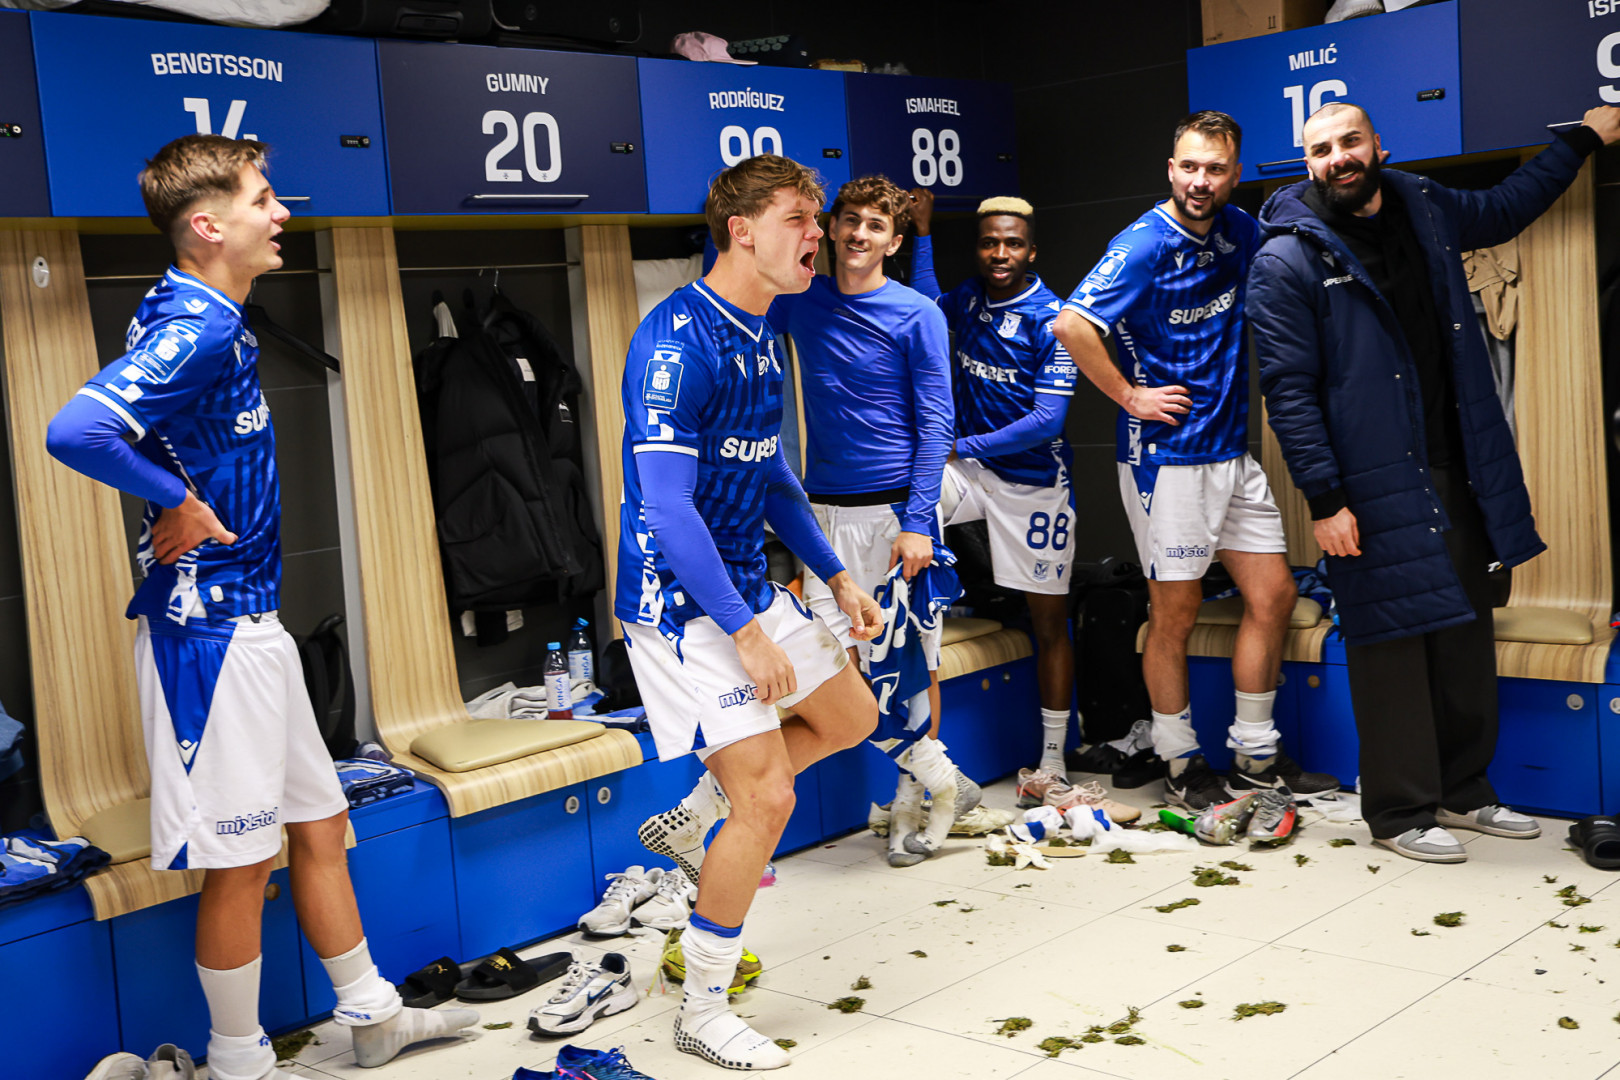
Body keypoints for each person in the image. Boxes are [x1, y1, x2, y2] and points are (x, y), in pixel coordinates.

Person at [44, 135, 477, 1080]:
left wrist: (173, 489)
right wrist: (178, 499)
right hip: (209, 639)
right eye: (262, 199)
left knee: (320, 828)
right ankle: (240, 1063)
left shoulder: (214, 314)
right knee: (242, 864)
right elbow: (75, 429)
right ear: (208, 225)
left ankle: (372, 1015)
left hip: (253, 624)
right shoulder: (193, 324)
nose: (281, 213)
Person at [1249, 102, 1620, 862]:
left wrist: (1583, 140)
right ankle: (1398, 812)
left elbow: (1507, 206)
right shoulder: (1286, 259)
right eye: (1321, 149)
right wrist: (1326, 500)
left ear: (1378, 146)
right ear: (1307, 163)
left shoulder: (1423, 202)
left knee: (1462, 634)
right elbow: (1288, 393)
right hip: (1367, 485)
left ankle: (1464, 791)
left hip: (1458, 466)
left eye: (1350, 141)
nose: (1338, 158)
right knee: (1389, 644)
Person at [616, 153, 884, 1069]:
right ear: (741, 231)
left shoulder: (764, 332)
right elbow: (666, 509)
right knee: (767, 796)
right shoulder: (674, 344)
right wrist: (745, 633)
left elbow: (769, 475)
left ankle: (699, 813)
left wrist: (833, 576)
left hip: (739, 580)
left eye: (817, 218)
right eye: (800, 219)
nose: (820, 235)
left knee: (852, 716)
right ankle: (702, 1008)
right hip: (677, 603)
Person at [1052, 111, 1338, 812]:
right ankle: (1181, 761)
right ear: (1170, 169)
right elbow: (1070, 324)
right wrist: (1130, 395)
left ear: (1235, 173)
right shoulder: (1143, 243)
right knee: (1173, 612)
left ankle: (1255, 755)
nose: (1200, 181)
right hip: (1167, 459)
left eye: (1214, 168)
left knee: (1274, 595)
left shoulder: (1240, 230)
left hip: (1231, 453)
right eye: (1188, 167)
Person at [908, 190, 1111, 816]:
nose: (1000, 253)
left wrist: (958, 443)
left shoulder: (1055, 320)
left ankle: (1052, 761)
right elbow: (926, 307)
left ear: (1032, 251)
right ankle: (918, 638)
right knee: (909, 505)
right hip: (971, 473)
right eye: (990, 243)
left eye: (1012, 244)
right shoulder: (969, 298)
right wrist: (921, 234)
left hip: (1033, 484)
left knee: (1049, 620)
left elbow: (1046, 422)